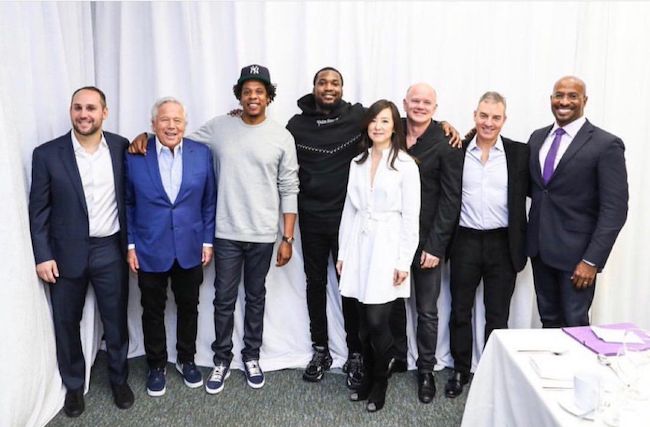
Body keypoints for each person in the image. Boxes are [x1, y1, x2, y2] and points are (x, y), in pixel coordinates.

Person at [286, 67, 461, 388]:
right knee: (344, 293)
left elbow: (449, 199)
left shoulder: (433, 139)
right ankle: (351, 354)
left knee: (404, 304)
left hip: (396, 233)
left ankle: (400, 364)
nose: (329, 87)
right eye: (323, 82)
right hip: (340, 226)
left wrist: (445, 124)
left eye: (335, 82)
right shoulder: (304, 126)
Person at [129, 64, 299, 393]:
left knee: (256, 297)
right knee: (223, 299)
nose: (253, 96)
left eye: (259, 91)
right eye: (247, 91)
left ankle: (251, 356)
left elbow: (289, 186)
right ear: (240, 95)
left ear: (268, 96)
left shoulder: (282, 137)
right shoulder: (220, 127)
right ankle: (222, 359)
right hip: (225, 233)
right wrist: (145, 137)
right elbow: (177, 139)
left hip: (263, 234)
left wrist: (287, 237)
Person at [28, 86, 134, 417]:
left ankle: (119, 379)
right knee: (66, 321)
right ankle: (74, 386)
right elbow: (38, 210)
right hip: (64, 253)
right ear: (71, 111)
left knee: (115, 319)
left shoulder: (121, 147)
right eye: (78, 108)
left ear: (104, 112)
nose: (83, 114)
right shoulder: (46, 154)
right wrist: (43, 255)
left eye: (91, 108)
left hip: (109, 249)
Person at [125, 97, 216, 397]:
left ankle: (187, 359)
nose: (171, 125)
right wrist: (131, 244)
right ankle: (156, 365)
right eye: (164, 120)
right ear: (153, 125)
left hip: (191, 246)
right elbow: (128, 203)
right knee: (152, 309)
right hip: (149, 247)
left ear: (185, 124)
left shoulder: (201, 153)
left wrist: (207, 241)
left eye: (177, 120)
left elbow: (209, 201)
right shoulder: (135, 155)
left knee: (189, 306)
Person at [336, 100, 420, 412]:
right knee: (361, 323)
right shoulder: (357, 162)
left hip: (387, 246)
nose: (378, 126)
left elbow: (411, 217)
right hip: (360, 246)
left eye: (385, 121)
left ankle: (381, 382)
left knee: (377, 321)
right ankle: (369, 377)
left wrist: (403, 261)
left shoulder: (406, 165)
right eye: (373, 120)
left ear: (395, 126)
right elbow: (349, 211)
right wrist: (343, 253)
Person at [444, 92, 529, 399]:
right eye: (483, 116)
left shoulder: (519, 153)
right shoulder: (457, 150)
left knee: (497, 314)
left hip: (503, 243)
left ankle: (493, 374)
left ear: (504, 120)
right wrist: (441, 123)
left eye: (495, 117)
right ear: (474, 116)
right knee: (460, 310)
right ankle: (460, 369)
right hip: (465, 241)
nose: (489, 123)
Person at [527, 76, 628, 327]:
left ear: (585, 100)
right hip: (540, 251)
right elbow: (536, 189)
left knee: (575, 325)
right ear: (551, 99)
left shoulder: (606, 144)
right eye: (559, 95)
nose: (564, 101)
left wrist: (591, 260)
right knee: (549, 322)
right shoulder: (537, 138)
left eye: (572, 96)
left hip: (577, 258)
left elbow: (614, 210)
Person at [390, 83, 464, 403]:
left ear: (435, 107)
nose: (420, 106)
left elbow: (450, 200)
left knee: (427, 310)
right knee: (391, 302)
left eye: (426, 102)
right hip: (392, 239)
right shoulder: (390, 130)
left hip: (427, 242)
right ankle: (397, 356)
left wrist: (436, 246)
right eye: (415, 101)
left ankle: (426, 369)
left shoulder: (446, 142)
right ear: (404, 103)